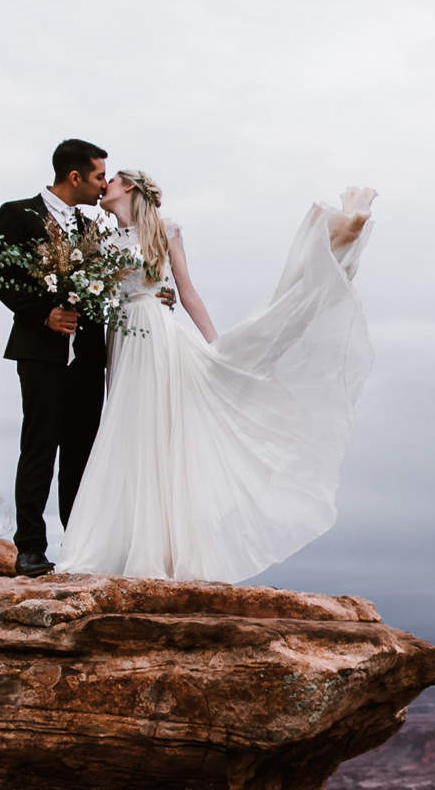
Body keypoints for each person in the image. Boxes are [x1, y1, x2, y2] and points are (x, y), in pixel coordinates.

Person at [55, 171, 379, 582]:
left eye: (112, 179)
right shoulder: (99, 241)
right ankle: (132, 543)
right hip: (120, 337)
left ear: (131, 188)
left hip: (155, 334)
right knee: (130, 432)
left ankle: (338, 235)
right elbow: (91, 294)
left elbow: (186, 290)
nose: (105, 186)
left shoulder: (165, 230)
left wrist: (215, 346)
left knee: (155, 429)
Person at [0, 139, 114, 576]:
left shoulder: (89, 228)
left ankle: (79, 550)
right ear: (75, 176)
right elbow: (1, 278)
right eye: (99, 176)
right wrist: (45, 314)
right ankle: (30, 549)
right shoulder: (17, 213)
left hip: (86, 357)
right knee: (39, 446)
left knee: (82, 452)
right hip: (41, 352)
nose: (103, 185)